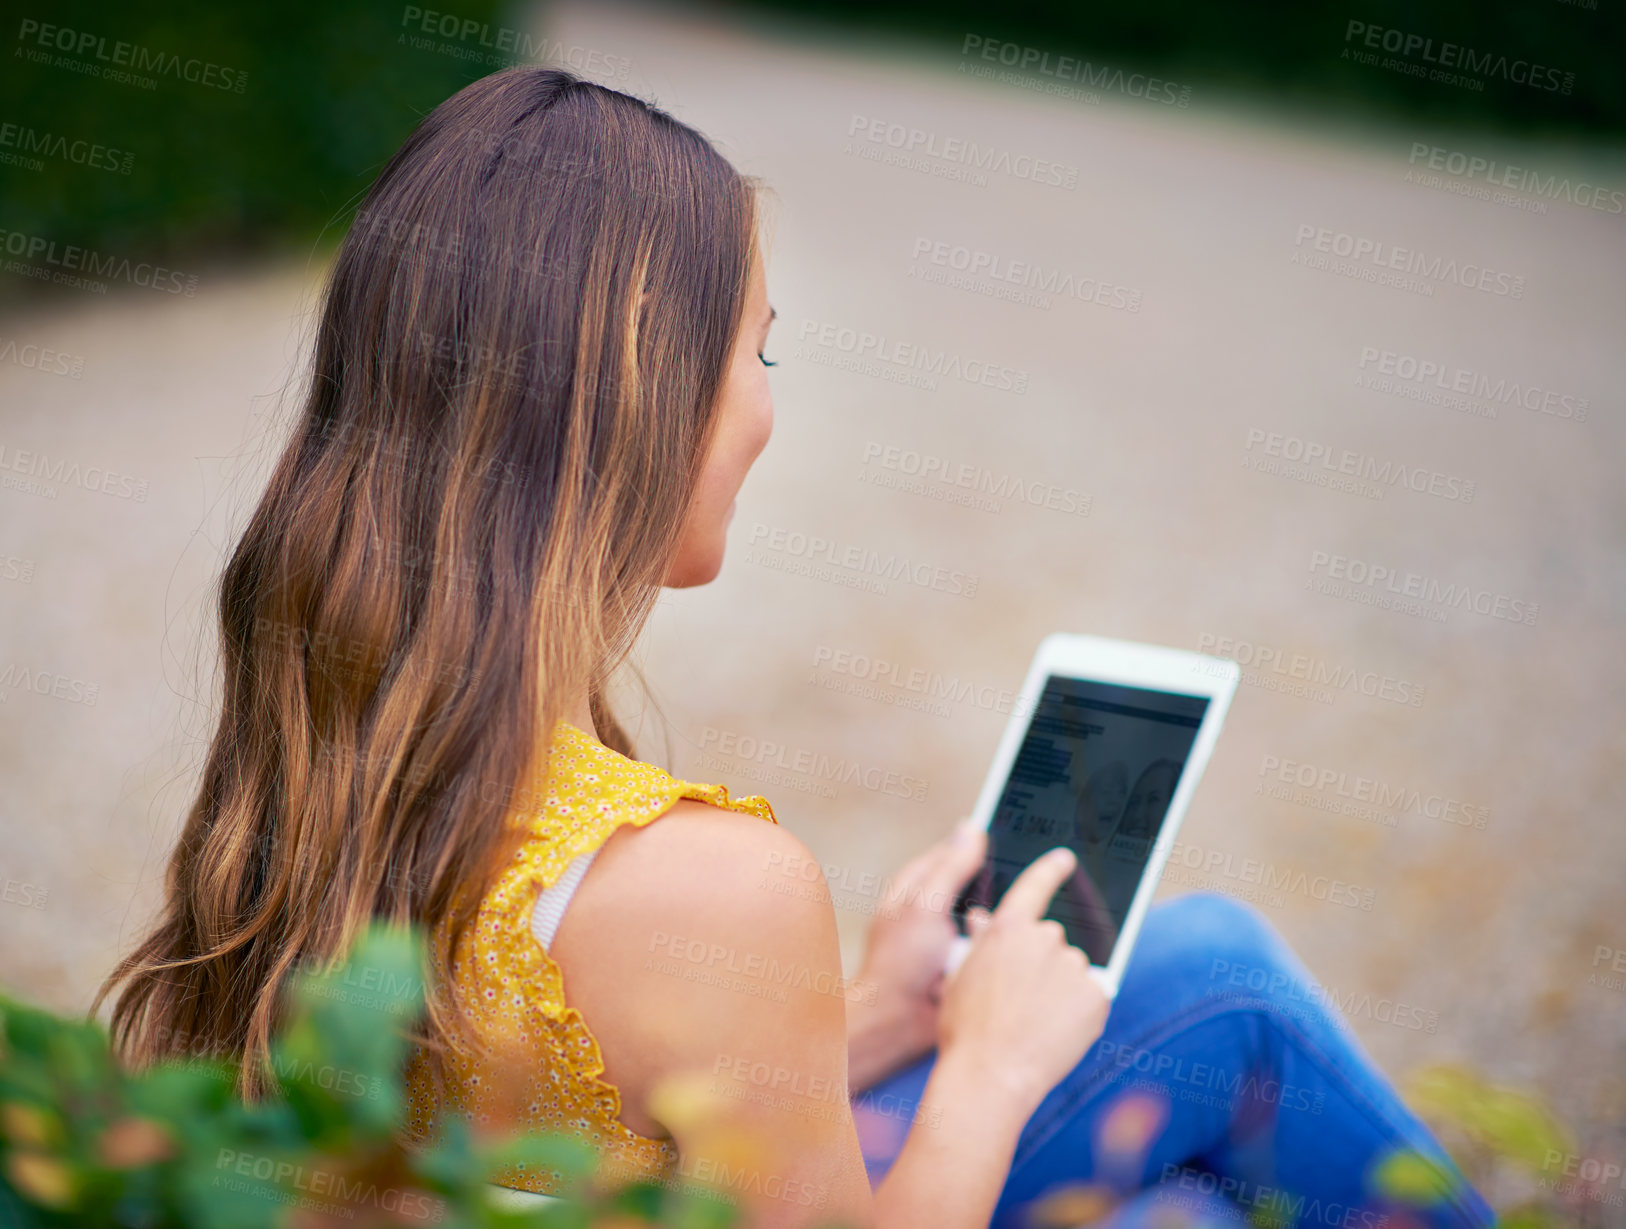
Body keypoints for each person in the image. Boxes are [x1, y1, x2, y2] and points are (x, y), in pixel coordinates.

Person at [96, 66, 1495, 1229]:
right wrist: (987, 1072)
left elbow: (565, 1131)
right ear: (634, 393)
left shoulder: (326, 724)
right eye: (755, 352)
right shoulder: (707, 885)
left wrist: (864, 1018)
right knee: (1194, 1130)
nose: (765, 410)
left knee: (1189, 965)